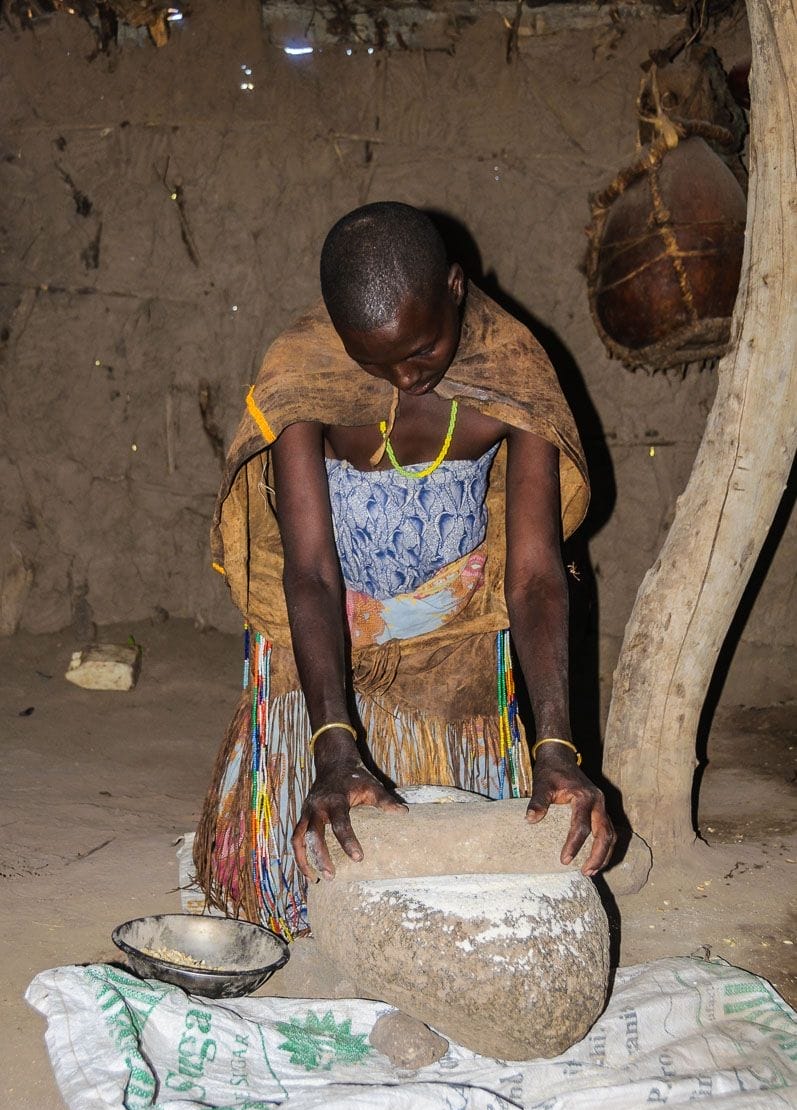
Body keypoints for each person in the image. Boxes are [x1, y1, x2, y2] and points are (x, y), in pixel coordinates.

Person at [194, 201, 615, 939]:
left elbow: (534, 575)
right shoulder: (305, 372)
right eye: (374, 362)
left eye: (422, 350)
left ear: (455, 286)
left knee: (465, 897)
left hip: (453, 634)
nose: (405, 377)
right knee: (285, 896)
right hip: (323, 629)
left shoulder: (511, 371)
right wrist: (332, 746)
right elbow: (309, 572)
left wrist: (555, 745)